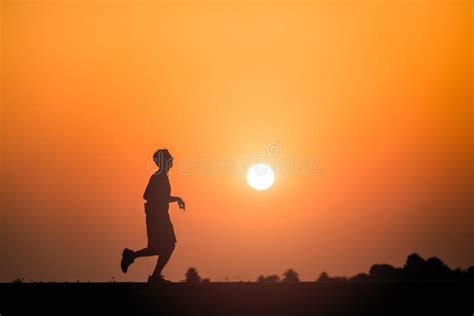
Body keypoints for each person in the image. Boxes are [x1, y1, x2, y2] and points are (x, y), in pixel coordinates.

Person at [121, 149, 185, 283]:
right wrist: (177, 199)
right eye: (169, 159)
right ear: (164, 161)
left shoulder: (161, 177)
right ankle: (153, 275)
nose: (172, 161)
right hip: (157, 217)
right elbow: (148, 195)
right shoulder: (158, 177)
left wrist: (171, 199)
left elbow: (158, 197)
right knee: (167, 246)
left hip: (159, 215)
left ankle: (132, 257)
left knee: (160, 247)